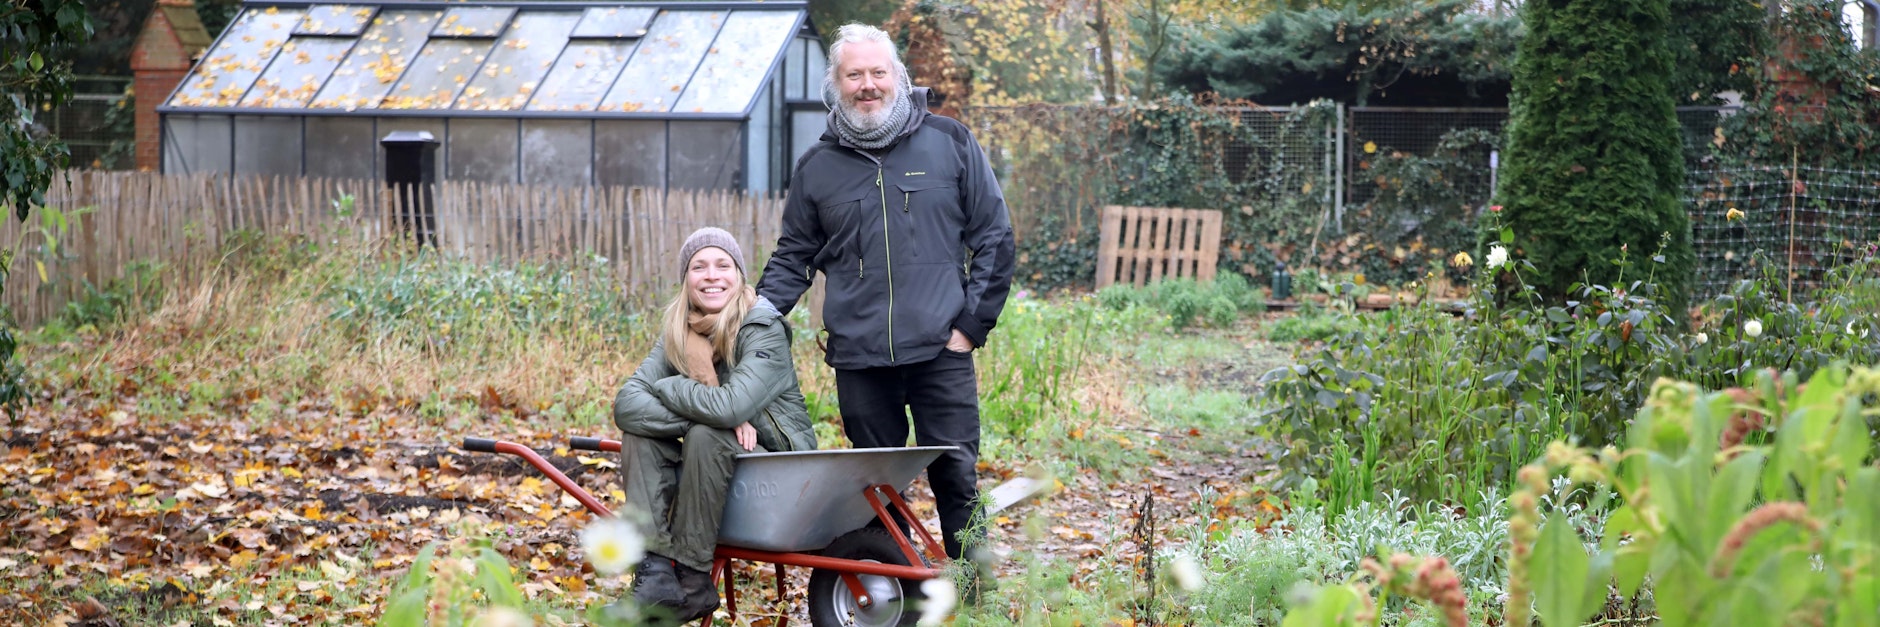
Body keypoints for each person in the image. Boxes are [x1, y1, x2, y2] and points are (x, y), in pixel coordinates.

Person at [754, 23, 1017, 569]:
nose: (867, 85)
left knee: (956, 473)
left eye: (877, 72)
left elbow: (994, 236)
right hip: (859, 356)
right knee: (876, 486)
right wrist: (753, 318)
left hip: (941, 350)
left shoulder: (950, 142)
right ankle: (889, 592)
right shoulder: (817, 168)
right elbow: (794, 256)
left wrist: (970, 328)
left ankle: (974, 593)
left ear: (897, 76)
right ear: (837, 83)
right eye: (855, 75)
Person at [613, 227, 817, 622]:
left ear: (739, 274)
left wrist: (671, 386)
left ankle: (692, 579)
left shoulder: (762, 328)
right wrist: (700, 418)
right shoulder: (678, 332)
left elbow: (728, 408)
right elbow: (627, 404)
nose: (711, 276)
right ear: (685, 279)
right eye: (698, 266)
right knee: (642, 434)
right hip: (720, 460)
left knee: (710, 431)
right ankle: (655, 574)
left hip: (781, 468)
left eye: (723, 265)